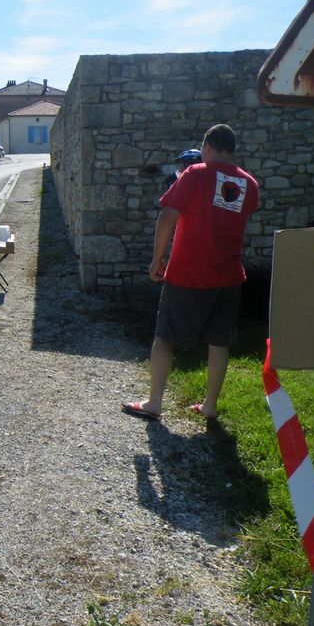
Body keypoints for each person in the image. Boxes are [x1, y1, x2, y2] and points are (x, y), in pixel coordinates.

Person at [122, 123, 259, 422]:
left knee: (164, 337)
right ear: (232, 150)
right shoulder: (250, 184)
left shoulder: (195, 173)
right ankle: (210, 406)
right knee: (219, 341)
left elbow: (167, 216)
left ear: (207, 147)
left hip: (188, 273)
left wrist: (157, 260)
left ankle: (154, 402)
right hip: (229, 276)